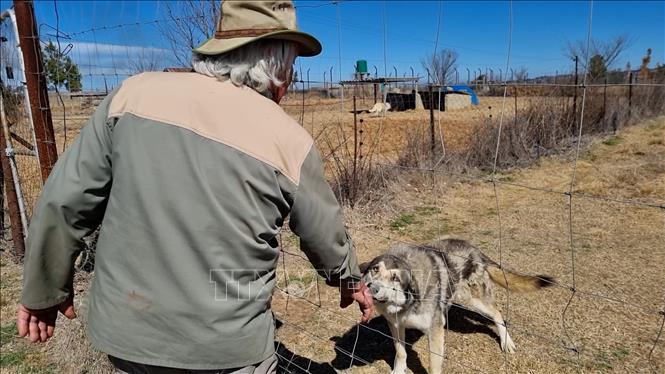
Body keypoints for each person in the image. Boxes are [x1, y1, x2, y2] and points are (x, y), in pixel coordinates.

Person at [17, 1, 373, 372]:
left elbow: (64, 201)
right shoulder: (288, 140)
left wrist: (42, 291)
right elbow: (323, 231)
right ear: (277, 69)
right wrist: (348, 278)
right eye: (292, 68)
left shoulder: (130, 96)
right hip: (229, 351)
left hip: (130, 338)